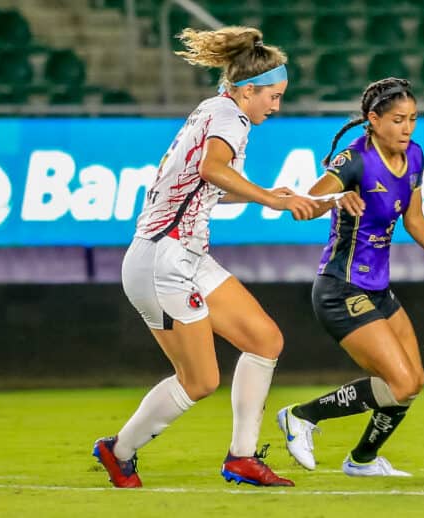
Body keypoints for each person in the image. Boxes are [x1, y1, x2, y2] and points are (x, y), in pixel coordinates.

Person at [92, 26, 318, 489]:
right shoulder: (230, 118)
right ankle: (119, 451)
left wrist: (264, 194)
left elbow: (207, 182)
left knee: (264, 340)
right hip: (163, 260)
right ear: (249, 90)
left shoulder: (216, 110)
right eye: (273, 97)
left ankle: (242, 458)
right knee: (199, 381)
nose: (277, 106)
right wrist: (270, 201)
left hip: (182, 255)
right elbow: (210, 169)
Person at [276, 77, 424, 477]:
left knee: (414, 381)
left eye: (412, 119)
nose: (407, 128)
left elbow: (415, 220)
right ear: (372, 120)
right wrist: (335, 198)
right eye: (397, 120)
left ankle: (362, 460)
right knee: (401, 381)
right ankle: (301, 416)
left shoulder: (415, 157)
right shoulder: (354, 159)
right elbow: (306, 203)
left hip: (377, 289)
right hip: (340, 289)